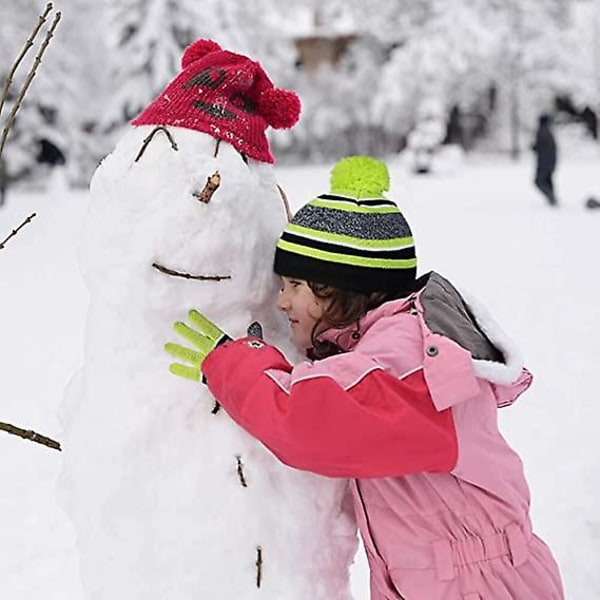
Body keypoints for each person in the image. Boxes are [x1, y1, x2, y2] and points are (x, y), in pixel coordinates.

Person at [165, 156, 564, 599]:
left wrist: (234, 365)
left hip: (483, 585)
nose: (282, 303)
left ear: (344, 289)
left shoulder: (409, 360)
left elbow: (311, 426)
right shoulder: (387, 347)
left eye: (295, 286)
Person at [532, 114, 558, 206]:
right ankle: (552, 198)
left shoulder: (541, 131)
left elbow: (539, 146)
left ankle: (551, 197)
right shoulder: (548, 131)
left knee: (538, 181)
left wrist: (533, 147)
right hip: (551, 161)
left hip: (544, 162)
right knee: (547, 180)